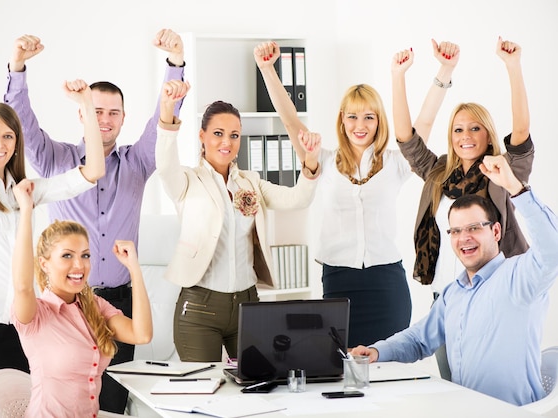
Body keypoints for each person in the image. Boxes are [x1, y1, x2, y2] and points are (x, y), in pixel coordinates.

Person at [4, 29, 185, 412]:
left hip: (117, 304)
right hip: (65, 304)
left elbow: (162, 119)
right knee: (68, 396)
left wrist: (175, 64)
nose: (105, 119)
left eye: (113, 112)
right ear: (82, 112)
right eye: (96, 110)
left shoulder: (137, 163)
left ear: (123, 118)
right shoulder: (57, 160)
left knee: (113, 403)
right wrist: (17, 67)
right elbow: (23, 125)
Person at [0, 55, 104, 394]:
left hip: (31, 325)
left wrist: (86, 105)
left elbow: (93, 171)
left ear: (16, 144)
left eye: (8, 137)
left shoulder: (28, 190)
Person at [351, 155, 558, 407]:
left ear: (495, 231)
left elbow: (552, 249)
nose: (464, 238)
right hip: (465, 409)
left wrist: (515, 188)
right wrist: (378, 351)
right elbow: (419, 339)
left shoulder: (519, 277)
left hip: (511, 413)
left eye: (474, 228)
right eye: (456, 231)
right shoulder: (454, 293)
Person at [254, 41, 412, 348]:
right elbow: (289, 121)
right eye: (352, 116)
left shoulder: (396, 163)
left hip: (387, 285)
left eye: (369, 116)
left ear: (379, 121)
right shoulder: (322, 160)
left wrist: (399, 76)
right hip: (340, 282)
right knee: (341, 369)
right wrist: (267, 69)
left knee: (390, 370)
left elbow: (422, 126)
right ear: (342, 119)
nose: (360, 125)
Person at [392, 37, 533, 380]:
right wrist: (398, 76)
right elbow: (406, 138)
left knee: (485, 387)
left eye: (475, 127)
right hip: (446, 296)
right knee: (452, 388)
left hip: (492, 293)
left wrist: (513, 67)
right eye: (458, 129)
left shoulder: (501, 171)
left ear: (488, 135)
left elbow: (522, 132)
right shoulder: (438, 172)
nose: (465, 135)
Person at [155, 81, 322, 362]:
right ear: (202, 136)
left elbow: (297, 200)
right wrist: (168, 111)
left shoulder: (250, 182)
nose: (226, 142)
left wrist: (311, 162)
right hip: (200, 309)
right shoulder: (187, 181)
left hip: (248, 304)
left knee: (257, 386)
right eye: (218, 134)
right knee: (204, 393)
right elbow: (165, 164)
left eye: (234, 135)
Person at [11, 178, 152, 417]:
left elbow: (142, 334)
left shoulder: (95, 306)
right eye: (67, 256)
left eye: (85, 255)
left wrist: (134, 268)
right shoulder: (36, 315)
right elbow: (23, 287)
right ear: (44, 264)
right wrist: (26, 211)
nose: (79, 265)